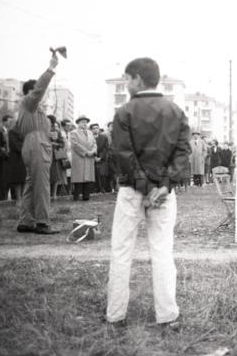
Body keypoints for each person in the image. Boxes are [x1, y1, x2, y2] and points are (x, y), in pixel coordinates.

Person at [106, 57, 191, 328]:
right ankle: (167, 315)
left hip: (132, 189)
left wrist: (146, 187)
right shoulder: (176, 111)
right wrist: (164, 185)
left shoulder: (124, 112)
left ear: (138, 79)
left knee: (121, 251)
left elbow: (123, 155)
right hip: (163, 192)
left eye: (127, 79)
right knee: (162, 252)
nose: (126, 84)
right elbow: (183, 152)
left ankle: (115, 314)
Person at [16, 54, 61, 234]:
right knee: (42, 185)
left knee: (31, 185)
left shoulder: (34, 109)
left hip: (35, 144)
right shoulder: (29, 102)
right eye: (37, 90)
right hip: (36, 145)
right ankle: (42, 223)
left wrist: (50, 135)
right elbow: (39, 89)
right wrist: (50, 69)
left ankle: (26, 221)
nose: (41, 94)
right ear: (31, 91)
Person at [70, 115, 97, 201]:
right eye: (82, 122)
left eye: (86, 122)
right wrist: (85, 152)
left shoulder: (90, 133)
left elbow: (94, 143)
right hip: (79, 157)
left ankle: (86, 196)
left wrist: (93, 151)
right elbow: (75, 144)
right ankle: (76, 196)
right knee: (78, 178)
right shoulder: (74, 132)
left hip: (89, 158)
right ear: (78, 123)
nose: (85, 124)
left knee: (88, 179)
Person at [5, 121, 26, 207]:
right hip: (16, 158)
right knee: (17, 180)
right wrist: (27, 146)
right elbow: (15, 145)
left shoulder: (27, 131)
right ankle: (18, 198)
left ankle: (24, 198)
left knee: (25, 179)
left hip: (26, 158)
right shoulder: (12, 131)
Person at [48, 116, 68, 199]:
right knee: (46, 176)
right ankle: (47, 194)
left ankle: (54, 194)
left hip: (54, 156)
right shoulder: (41, 130)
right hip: (44, 155)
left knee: (55, 176)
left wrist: (55, 144)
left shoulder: (56, 131)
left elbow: (62, 143)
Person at [91, 123, 110, 193]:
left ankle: (102, 189)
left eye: (97, 128)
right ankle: (94, 190)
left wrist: (100, 157)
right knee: (93, 175)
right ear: (91, 130)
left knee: (102, 174)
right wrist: (94, 157)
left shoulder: (104, 137)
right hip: (91, 158)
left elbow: (106, 149)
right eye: (94, 128)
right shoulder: (89, 137)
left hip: (102, 159)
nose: (95, 129)